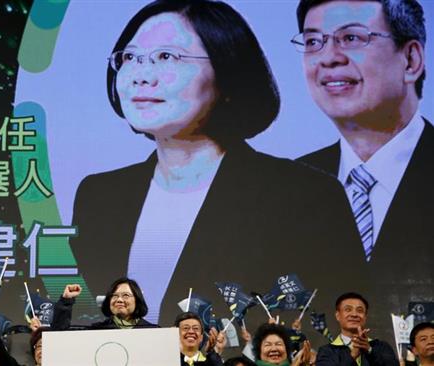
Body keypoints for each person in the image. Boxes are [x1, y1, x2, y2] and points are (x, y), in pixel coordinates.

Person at [69, 0, 366, 326]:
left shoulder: (306, 194)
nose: (141, 76)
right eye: (130, 57)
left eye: (166, 57)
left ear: (227, 75)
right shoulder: (99, 194)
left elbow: (338, 316)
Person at [293, 0, 433, 340]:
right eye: (313, 41)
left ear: (411, 59)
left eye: (351, 38)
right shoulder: (291, 184)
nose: (328, 57)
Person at [315, 292, 398, 366]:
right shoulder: (326, 351)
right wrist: (352, 355)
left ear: (365, 317)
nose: (354, 314)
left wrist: (369, 350)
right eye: (348, 309)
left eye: (360, 310)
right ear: (337, 316)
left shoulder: (381, 347)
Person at [51, 278, 157, 330]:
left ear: (137, 300)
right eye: (114, 296)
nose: (119, 300)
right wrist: (66, 301)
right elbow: (60, 335)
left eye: (125, 295)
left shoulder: (153, 332)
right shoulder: (97, 330)